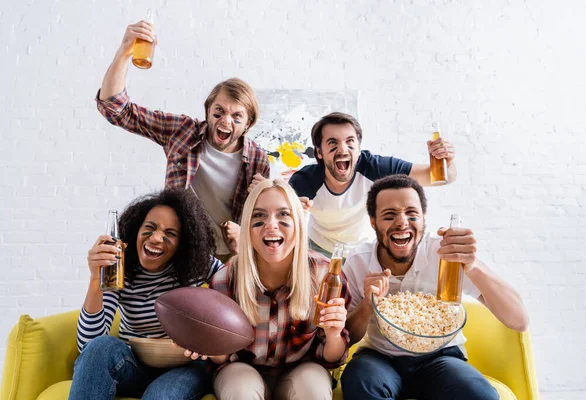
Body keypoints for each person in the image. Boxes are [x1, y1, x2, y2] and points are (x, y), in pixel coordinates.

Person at [340, 175, 529, 400]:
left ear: (423, 220)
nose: (402, 223)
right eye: (389, 215)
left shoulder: (445, 254)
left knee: (480, 395)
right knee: (360, 383)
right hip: (379, 358)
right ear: (373, 222)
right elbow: (345, 337)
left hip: (441, 358)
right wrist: (367, 306)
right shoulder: (358, 261)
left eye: (412, 214)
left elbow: (519, 320)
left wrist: (473, 265)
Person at [96, 21, 269, 261]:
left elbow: (265, 220)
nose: (225, 121)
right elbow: (116, 109)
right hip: (182, 251)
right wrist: (124, 52)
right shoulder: (182, 132)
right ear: (208, 111)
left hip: (231, 256)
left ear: (248, 123)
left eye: (236, 116)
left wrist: (265, 197)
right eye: (218, 112)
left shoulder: (258, 159)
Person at [185, 178, 351, 400]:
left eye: (283, 214)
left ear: (299, 223)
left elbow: (331, 359)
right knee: (239, 389)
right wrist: (206, 342)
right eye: (259, 216)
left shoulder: (326, 276)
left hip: (301, 370)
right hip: (243, 370)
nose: (271, 224)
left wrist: (333, 335)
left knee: (313, 388)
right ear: (248, 228)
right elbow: (222, 358)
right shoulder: (226, 279)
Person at [69, 189, 222, 400]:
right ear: (136, 230)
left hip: (184, 366)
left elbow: (239, 286)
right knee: (100, 348)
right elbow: (88, 343)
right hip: (134, 364)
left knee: (161, 396)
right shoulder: (121, 267)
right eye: (149, 228)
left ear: (183, 243)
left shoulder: (197, 265)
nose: (157, 238)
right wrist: (96, 278)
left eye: (170, 234)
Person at [288, 112, 457, 258]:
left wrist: (447, 163)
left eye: (350, 141)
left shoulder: (375, 168)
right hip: (319, 250)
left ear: (359, 147)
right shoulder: (305, 180)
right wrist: (294, 213)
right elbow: (284, 220)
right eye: (333, 143)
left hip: (364, 251)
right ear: (319, 151)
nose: (343, 150)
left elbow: (440, 178)